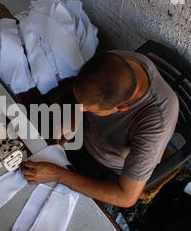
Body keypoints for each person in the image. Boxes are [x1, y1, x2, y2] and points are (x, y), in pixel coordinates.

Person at [22, 51, 179, 208]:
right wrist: (74, 117)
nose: (82, 109)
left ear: (121, 108)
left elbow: (126, 197)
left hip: (105, 168)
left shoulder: (156, 123)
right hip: (83, 138)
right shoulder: (114, 62)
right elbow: (83, 97)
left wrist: (58, 174)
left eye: (90, 109)